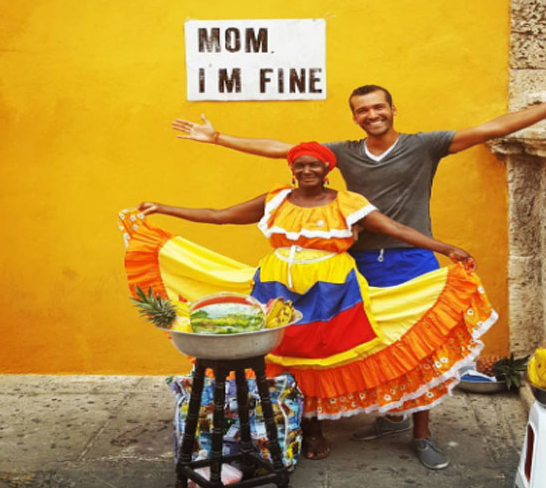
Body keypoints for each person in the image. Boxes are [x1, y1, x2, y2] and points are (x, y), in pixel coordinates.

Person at [167, 74, 546, 469]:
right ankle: (383, 415)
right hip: (353, 263)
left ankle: (421, 434)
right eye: (363, 110)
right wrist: (219, 137)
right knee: (355, 342)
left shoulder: (424, 144)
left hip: (409, 256)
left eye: (379, 107)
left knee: (418, 344)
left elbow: (492, 128)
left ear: (393, 109)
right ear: (355, 117)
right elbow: (283, 150)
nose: (372, 115)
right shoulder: (342, 153)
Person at [119, 142, 496, 464]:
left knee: (323, 353)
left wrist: (446, 247)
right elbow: (220, 216)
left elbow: (395, 229)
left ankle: (363, 427)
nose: (306, 169)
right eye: (299, 164)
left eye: (314, 164)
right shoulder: (275, 199)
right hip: (275, 286)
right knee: (286, 354)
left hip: (332, 290)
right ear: (292, 169)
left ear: (327, 169)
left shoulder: (348, 203)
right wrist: (166, 208)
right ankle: (309, 430)